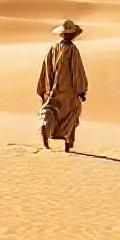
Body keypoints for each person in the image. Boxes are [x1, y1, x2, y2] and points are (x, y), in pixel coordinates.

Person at [37, 19, 89, 152]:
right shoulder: (72, 49)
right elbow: (77, 71)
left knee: (51, 112)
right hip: (69, 91)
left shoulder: (53, 49)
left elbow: (46, 68)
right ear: (72, 35)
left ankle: (45, 127)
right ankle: (67, 143)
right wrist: (81, 91)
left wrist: (45, 88)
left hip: (53, 88)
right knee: (71, 115)